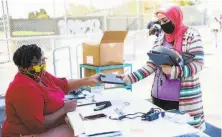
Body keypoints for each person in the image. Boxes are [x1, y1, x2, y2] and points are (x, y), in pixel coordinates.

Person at [121, 6, 205, 131]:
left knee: (183, 132)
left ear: (175, 18)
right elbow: (151, 65)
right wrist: (128, 78)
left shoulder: (191, 35)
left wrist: (173, 71)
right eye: (160, 21)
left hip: (182, 102)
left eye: (165, 20)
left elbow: (198, 64)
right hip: (158, 99)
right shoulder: (161, 37)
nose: (162, 24)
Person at [2, 44, 101, 137]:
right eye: (37, 62)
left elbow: (63, 86)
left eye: (43, 60)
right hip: (24, 134)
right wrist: (64, 110)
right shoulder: (23, 88)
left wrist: (89, 80)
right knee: (75, 132)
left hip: (44, 129)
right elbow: (37, 126)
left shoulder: (40, 75)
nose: (42, 65)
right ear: (23, 67)